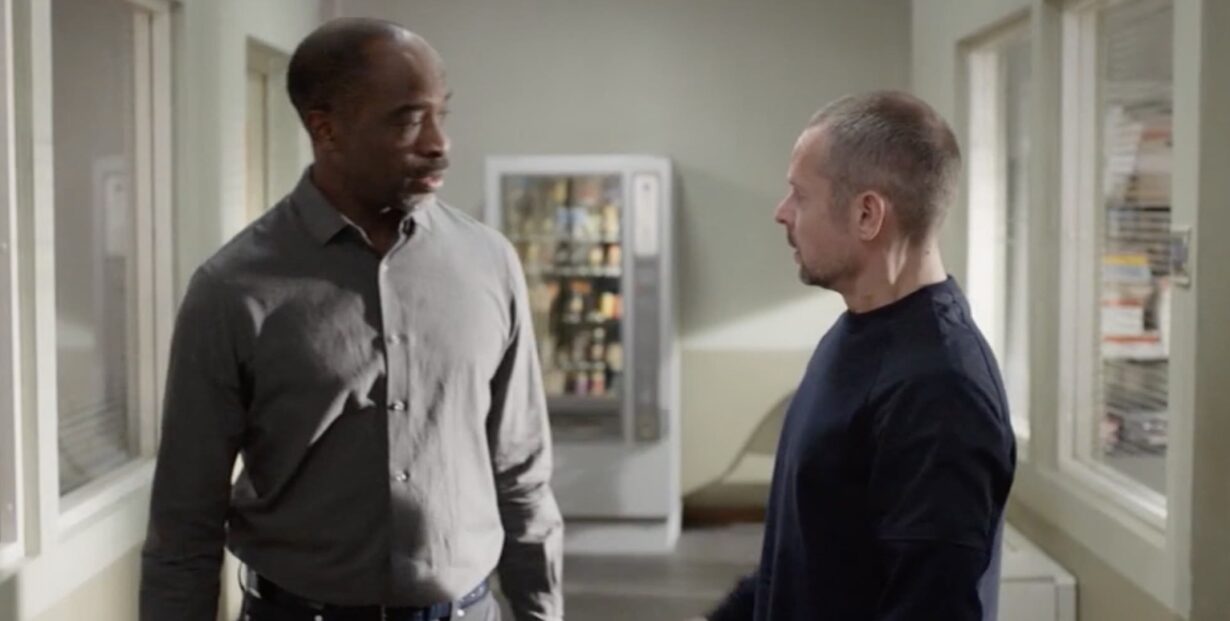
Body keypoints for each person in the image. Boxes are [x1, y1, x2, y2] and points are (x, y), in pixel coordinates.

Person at [140, 18, 563, 621]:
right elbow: (184, 522)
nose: (439, 143)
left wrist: (541, 612)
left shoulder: (489, 263)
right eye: (409, 119)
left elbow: (521, 474)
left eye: (441, 114)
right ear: (326, 128)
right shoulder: (232, 289)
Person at [704, 91, 1016, 621]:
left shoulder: (941, 390)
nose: (782, 213)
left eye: (800, 195)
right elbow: (810, 552)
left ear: (867, 214)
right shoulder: (855, 332)